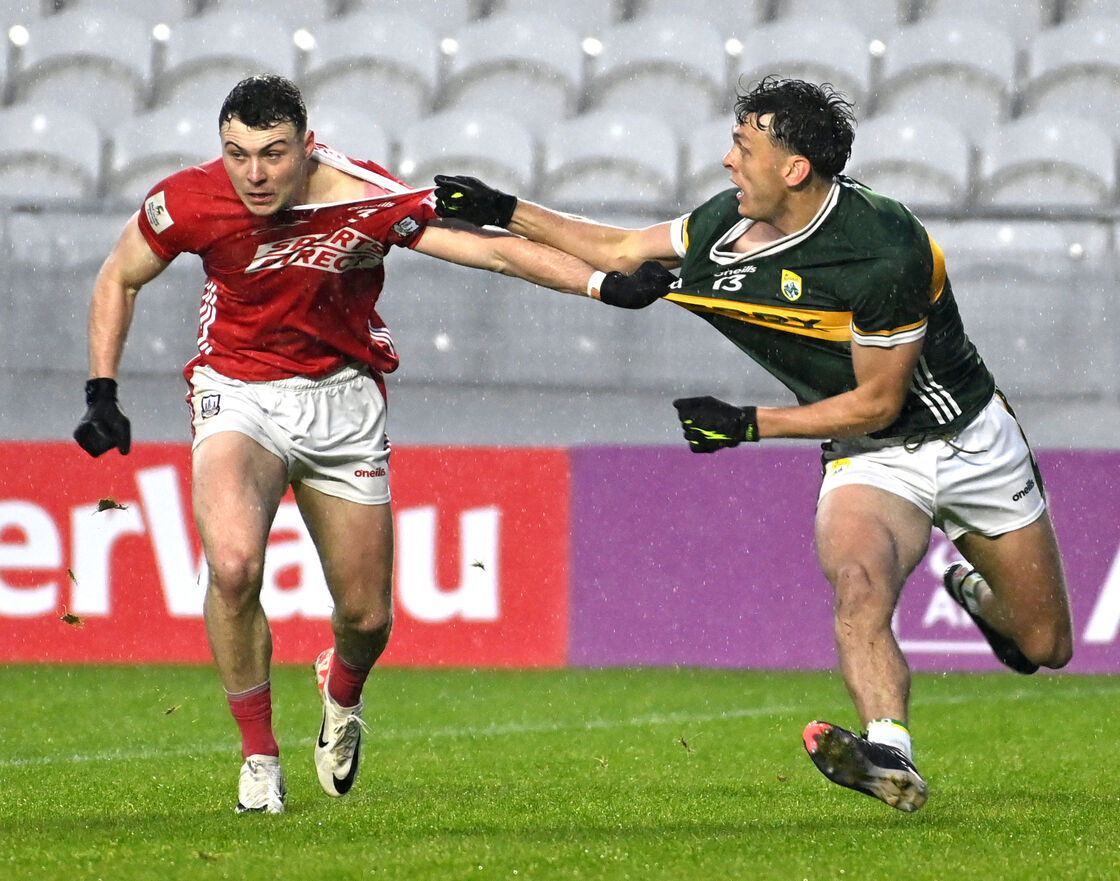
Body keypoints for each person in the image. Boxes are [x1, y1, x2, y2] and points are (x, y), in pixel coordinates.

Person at [432, 76, 1075, 813]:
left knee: (1045, 644)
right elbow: (619, 247)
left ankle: (973, 593)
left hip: (967, 443)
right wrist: (502, 209)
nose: (728, 160)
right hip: (868, 457)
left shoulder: (884, 248)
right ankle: (890, 753)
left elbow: (880, 400)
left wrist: (748, 424)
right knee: (859, 585)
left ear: (794, 168)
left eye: (743, 147)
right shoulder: (723, 224)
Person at [72, 74, 671, 815]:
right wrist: (102, 390)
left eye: (273, 153)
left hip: (342, 399)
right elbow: (120, 276)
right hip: (239, 391)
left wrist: (603, 285)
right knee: (232, 567)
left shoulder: (364, 196)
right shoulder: (187, 199)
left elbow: (494, 253)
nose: (254, 174)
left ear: (306, 146)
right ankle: (259, 757)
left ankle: (343, 689)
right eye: (237, 154)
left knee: (366, 619)